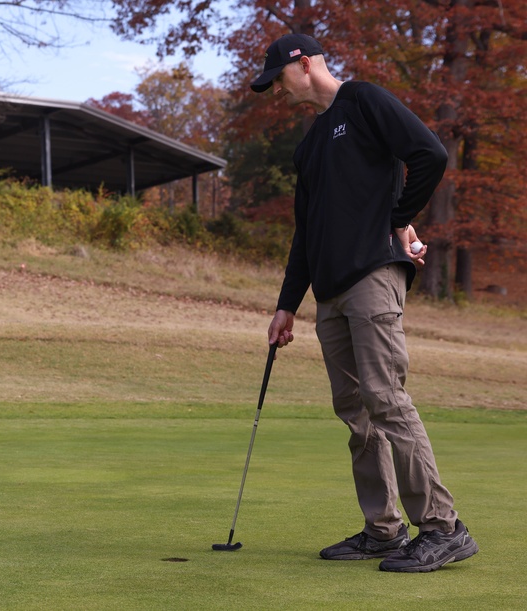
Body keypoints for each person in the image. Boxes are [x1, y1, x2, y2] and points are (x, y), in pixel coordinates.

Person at [251, 33, 478, 573]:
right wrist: (287, 304)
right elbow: (305, 235)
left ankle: (444, 528)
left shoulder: (365, 100)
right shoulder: (307, 147)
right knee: (356, 414)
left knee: (385, 398)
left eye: (278, 79)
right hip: (328, 293)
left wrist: (398, 219)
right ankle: (383, 530)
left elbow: (430, 154)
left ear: (302, 65)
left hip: (373, 277)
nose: (276, 91)